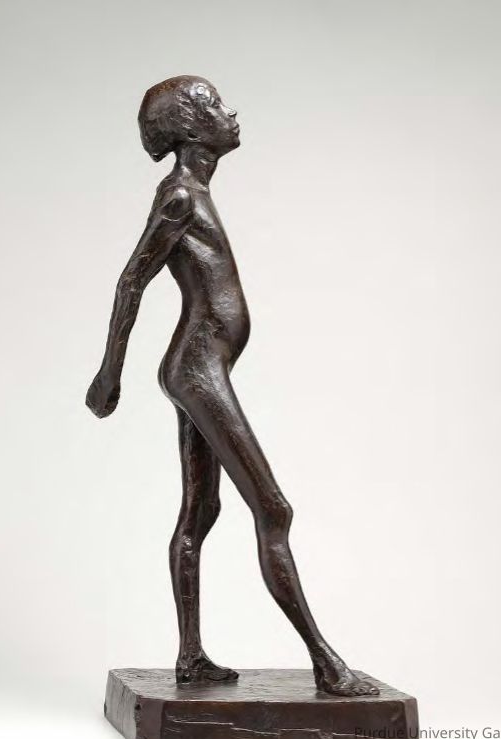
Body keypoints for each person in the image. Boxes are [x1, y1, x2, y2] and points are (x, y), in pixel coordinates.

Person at [86, 75, 377, 696]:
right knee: (273, 509)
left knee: (201, 511)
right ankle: (326, 664)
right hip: (198, 369)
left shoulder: (193, 193)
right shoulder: (178, 197)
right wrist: (109, 372)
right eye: (213, 104)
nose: (230, 111)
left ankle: (190, 659)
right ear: (191, 129)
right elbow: (131, 280)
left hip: (197, 366)